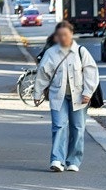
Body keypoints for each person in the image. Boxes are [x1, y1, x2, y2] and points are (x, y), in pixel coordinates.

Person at [34, 21, 99, 172]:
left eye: (65, 34)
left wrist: (88, 92)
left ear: (71, 34)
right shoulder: (51, 53)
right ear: (56, 37)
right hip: (59, 96)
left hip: (79, 96)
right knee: (59, 126)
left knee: (77, 128)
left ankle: (73, 160)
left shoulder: (81, 51)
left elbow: (91, 72)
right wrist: (37, 93)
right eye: (60, 35)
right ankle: (57, 160)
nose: (63, 38)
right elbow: (43, 74)